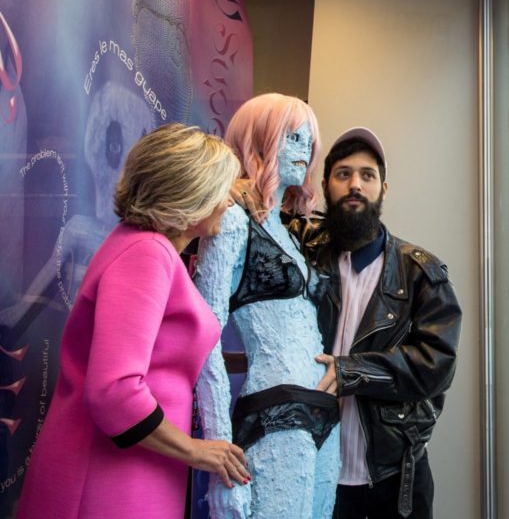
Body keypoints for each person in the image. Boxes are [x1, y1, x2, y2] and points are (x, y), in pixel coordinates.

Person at [15, 123, 249, 519]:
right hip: (109, 479)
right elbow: (114, 390)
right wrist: (196, 450)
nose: (229, 202)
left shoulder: (143, 247)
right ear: (188, 195)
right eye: (221, 189)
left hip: (131, 469)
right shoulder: (148, 253)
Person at [292, 127, 462, 519]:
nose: (355, 185)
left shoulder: (422, 271)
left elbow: (437, 364)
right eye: (343, 174)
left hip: (396, 475)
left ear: (383, 188)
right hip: (314, 466)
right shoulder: (302, 255)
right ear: (325, 185)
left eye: (367, 175)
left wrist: (353, 371)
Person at [193, 94, 339, 518]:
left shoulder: (291, 234)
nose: (304, 151)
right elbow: (204, 339)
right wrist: (220, 455)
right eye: (291, 137)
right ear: (259, 143)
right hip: (276, 408)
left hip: (324, 411)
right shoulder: (232, 221)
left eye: (308, 140)